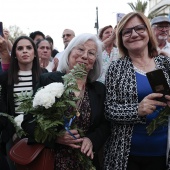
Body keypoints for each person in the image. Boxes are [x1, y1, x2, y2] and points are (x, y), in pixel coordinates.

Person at [22, 33, 110, 170]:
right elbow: (28, 121)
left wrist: (92, 140)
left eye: (91, 53)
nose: (85, 56)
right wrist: (56, 137)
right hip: (52, 160)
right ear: (69, 54)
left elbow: (105, 124)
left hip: (85, 162)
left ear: (94, 62)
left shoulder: (99, 90)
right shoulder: (48, 80)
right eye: (80, 49)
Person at [104, 12, 170, 170]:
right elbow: (108, 109)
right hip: (127, 154)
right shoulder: (116, 68)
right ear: (121, 38)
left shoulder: (165, 62)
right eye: (127, 32)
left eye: (139, 29)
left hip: (163, 152)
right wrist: (137, 110)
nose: (134, 34)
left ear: (148, 31)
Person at [0, 35, 47, 169]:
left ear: (34, 53)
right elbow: (3, 110)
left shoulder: (44, 75)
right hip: (13, 137)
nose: (25, 51)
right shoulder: (4, 78)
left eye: (28, 48)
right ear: (14, 54)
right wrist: (13, 130)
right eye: (20, 48)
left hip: (39, 136)